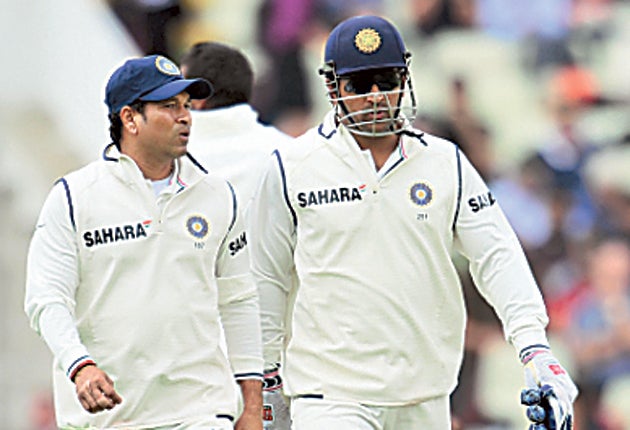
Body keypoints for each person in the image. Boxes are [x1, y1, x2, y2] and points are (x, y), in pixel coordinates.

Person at [249, 15, 578, 429]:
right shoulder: (291, 166)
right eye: (359, 84)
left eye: (385, 80)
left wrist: (534, 348)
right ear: (333, 87)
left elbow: (497, 256)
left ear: (404, 80)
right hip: (330, 395)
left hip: (425, 394)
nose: (375, 96)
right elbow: (266, 280)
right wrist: (262, 380)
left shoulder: (444, 162)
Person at [24, 54, 264, 430]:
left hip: (201, 410)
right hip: (111, 415)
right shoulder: (74, 197)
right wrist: (79, 365)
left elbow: (240, 302)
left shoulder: (217, 195)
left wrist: (252, 405)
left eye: (186, 106)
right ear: (129, 118)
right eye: (169, 106)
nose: (185, 116)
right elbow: (45, 299)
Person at [179, 41, 295, 429]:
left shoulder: (163, 162)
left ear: (195, 98)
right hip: (274, 362)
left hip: (187, 365)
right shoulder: (290, 155)